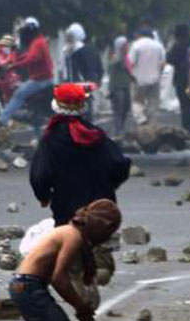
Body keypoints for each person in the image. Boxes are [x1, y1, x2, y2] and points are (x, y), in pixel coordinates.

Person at [30, 83, 132, 226]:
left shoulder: (51, 138)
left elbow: (40, 175)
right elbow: (120, 164)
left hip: (66, 209)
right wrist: (109, 185)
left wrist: (43, 197)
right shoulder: (97, 134)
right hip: (100, 210)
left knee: (69, 245)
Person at [0, 17, 54, 126]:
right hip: (41, 78)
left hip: (40, 80)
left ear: (30, 30)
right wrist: (13, 62)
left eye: (25, 30)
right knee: (21, 90)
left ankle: (1, 120)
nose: (23, 33)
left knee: (18, 94)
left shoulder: (37, 43)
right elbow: (28, 55)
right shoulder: (38, 41)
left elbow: (32, 58)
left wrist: (13, 66)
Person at [61, 23, 103, 118]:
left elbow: (65, 71)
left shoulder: (70, 51)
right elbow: (98, 67)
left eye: (70, 37)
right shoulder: (91, 50)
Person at [127, 28, 166, 126]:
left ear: (141, 35)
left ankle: (141, 118)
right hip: (155, 80)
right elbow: (163, 63)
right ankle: (151, 125)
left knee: (137, 101)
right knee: (153, 102)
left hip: (139, 80)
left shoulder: (136, 45)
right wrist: (159, 73)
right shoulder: (159, 46)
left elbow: (130, 62)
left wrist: (131, 74)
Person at [166, 24, 190, 133]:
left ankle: (186, 128)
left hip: (181, 78)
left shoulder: (177, 45)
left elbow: (169, 59)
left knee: (184, 105)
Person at [106, 36, 132, 136]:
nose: (127, 47)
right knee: (118, 111)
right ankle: (118, 131)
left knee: (126, 109)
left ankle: (121, 128)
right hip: (117, 88)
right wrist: (110, 90)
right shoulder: (116, 58)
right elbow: (111, 73)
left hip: (126, 87)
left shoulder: (126, 58)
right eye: (125, 45)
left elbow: (129, 72)